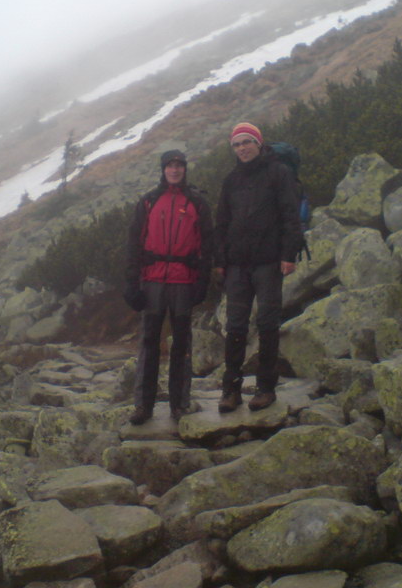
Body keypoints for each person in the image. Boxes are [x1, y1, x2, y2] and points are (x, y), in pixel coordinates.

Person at [214, 123, 303, 412]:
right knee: (235, 327)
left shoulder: (279, 173)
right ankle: (231, 390)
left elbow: (291, 215)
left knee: (267, 325)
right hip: (238, 265)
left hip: (268, 262)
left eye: (246, 142)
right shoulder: (231, 180)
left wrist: (288, 254)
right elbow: (222, 223)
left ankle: (266, 389)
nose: (242, 148)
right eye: (236, 144)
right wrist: (220, 261)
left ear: (258, 143)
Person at [124, 149, 213, 425]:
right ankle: (143, 406)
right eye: (170, 166)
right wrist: (131, 283)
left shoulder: (197, 202)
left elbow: (208, 245)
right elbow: (134, 245)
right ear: (163, 170)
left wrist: (203, 282)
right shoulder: (149, 201)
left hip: (183, 282)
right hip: (152, 282)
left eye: (179, 166)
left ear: (185, 169)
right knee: (149, 343)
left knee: (181, 345)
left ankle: (179, 404)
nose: (174, 170)